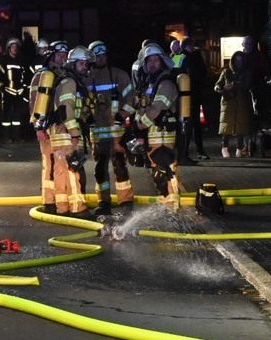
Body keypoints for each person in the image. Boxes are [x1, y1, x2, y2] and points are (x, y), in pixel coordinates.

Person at [85, 40, 135, 216]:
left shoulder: (119, 76)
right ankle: (103, 201)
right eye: (97, 56)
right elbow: (80, 102)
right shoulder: (86, 78)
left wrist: (122, 115)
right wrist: (86, 116)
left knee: (120, 166)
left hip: (116, 134)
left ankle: (126, 201)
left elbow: (131, 98)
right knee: (100, 170)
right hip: (97, 133)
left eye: (103, 55)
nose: (100, 59)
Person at [134, 44, 184, 211]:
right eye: (149, 61)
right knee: (159, 174)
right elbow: (143, 107)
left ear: (162, 62)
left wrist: (140, 125)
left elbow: (156, 109)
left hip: (164, 138)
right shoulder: (149, 84)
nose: (152, 64)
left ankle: (173, 206)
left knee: (167, 173)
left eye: (156, 60)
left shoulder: (166, 84)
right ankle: (167, 204)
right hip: (154, 139)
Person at [49, 46, 93, 217]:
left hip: (59, 133)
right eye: (82, 63)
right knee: (73, 170)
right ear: (73, 64)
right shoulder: (70, 82)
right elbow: (67, 108)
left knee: (61, 171)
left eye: (86, 64)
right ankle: (78, 208)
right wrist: (75, 132)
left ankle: (63, 207)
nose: (85, 67)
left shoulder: (66, 80)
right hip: (67, 133)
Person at [28, 41, 68, 214]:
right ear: (51, 56)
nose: (63, 58)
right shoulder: (45, 75)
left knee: (57, 165)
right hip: (46, 126)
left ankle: (55, 202)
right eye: (60, 55)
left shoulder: (60, 74)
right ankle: (51, 202)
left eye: (65, 55)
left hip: (57, 126)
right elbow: (35, 101)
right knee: (51, 163)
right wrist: (39, 127)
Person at [215, 40, 256, 157]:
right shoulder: (226, 72)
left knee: (240, 127)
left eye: (240, 61)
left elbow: (248, 84)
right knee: (226, 127)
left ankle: (239, 149)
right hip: (228, 102)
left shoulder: (247, 72)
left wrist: (234, 85)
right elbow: (218, 83)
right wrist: (219, 88)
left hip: (241, 102)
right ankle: (225, 148)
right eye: (237, 60)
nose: (238, 63)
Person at [172, 37, 210, 162]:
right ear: (190, 46)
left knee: (181, 125)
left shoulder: (175, 57)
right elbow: (195, 75)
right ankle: (189, 153)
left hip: (177, 96)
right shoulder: (190, 58)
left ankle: (180, 152)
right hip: (191, 96)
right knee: (192, 125)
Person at [0, 37, 28, 143]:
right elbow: (0, 75)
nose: (14, 49)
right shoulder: (4, 61)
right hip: (7, 93)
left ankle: (16, 137)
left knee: (17, 117)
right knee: (6, 116)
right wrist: (2, 87)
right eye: (12, 47)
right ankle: (6, 137)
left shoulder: (20, 62)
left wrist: (23, 88)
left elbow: (24, 77)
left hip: (18, 93)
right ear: (9, 48)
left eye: (16, 47)